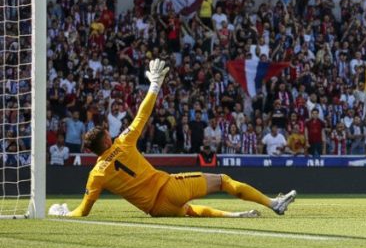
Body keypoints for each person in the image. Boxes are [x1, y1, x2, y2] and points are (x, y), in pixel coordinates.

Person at [49, 60, 296, 219]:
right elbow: (142, 114)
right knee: (222, 180)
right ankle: (273, 203)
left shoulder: (96, 174)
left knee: (188, 210)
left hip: (156, 210)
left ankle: (234, 216)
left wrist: (64, 213)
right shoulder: (122, 142)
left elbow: (83, 211)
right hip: (168, 188)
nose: (110, 134)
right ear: (105, 142)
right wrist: (155, 85)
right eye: (107, 134)